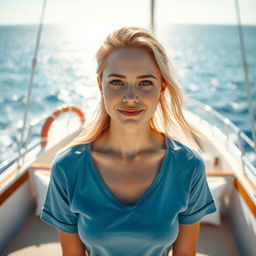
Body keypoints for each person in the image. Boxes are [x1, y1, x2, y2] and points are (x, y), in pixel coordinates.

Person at [40, 26, 217, 256]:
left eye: (145, 83)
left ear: (161, 88)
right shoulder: (67, 167)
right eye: (117, 82)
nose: (131, 97)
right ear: (100, 85)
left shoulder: (188, 165)